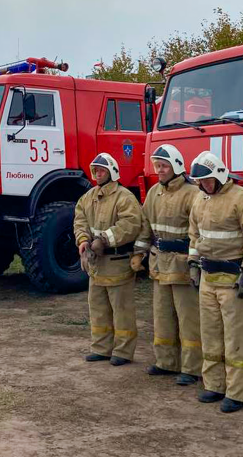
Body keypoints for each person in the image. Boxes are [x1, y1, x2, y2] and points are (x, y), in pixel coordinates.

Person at [188, 151, 243, 413]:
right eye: (199, 182)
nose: (203, 185)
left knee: (237, 337)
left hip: (234, 279)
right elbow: (194, 234)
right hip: (209, 278)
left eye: (207, 181)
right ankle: (214, 385)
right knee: (210, 334)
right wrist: (193, 263)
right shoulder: (200, 198)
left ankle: (237, 392)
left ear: (220, 175)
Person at [135, 145, 202, 384]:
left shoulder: (192, 193)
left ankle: (192, 368)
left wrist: (195, 262)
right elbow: (146, 226)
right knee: (162, 315)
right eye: (157, 166)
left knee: (188, 318)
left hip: (183, 265)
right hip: (159, 263)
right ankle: (166, 362)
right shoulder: (154, 192)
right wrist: (139, 252)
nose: (160, 170)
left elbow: (198, 232)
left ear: (176, 166)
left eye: (164, 166)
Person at [74, 153, 145, 363]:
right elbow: (80, 220)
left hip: (117, 262)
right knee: (98, 308)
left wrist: (104, 239)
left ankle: (123, 351)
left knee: (122, 309)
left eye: (101, 170)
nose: (97, 174)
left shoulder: (124, 197)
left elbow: (130, 225)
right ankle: (101, 348)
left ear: (112, 172)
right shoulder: (88, 197)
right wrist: (83, 240)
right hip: (97, 264)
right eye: (95, 170)